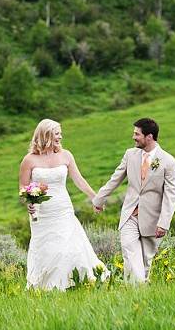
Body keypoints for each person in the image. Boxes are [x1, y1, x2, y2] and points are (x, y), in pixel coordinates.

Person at [19, 118, 110, 290]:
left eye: (60, 133)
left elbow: (79, 180)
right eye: (57, 134)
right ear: (45, 135)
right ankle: (46, 286)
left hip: (63, 208)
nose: (60, 137)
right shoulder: (29, 160)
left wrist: (95, 198)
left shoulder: (66, 155)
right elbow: (23, 187)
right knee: (47, 247)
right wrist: (28, 202)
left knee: (68, 245)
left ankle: (74, 281)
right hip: (41, 212)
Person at [92, 117, 175, 283]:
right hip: (130, 215)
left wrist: (164, 222)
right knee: (129, 252)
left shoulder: (169, 162)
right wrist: (99, 199)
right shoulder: (130, 154)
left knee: (145, 262)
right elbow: (115, 178)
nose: (133, 137)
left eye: (137, 134)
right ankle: (138, 289)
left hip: (153, 220)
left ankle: (138, 295)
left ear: (149, 137)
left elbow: (171, 195)